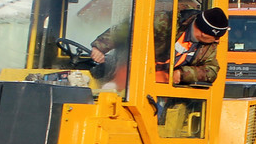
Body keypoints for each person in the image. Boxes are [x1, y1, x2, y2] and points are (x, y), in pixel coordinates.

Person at [91, 7, 229, 86]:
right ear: (203, 33)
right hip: (132, 75)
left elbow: (211, 70)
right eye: (216, 37)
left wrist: (182, 74)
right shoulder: (165, 22)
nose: (217, 41)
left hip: (163, 87)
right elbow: (128, 28)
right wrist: (101, 47)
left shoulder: (208, 46)